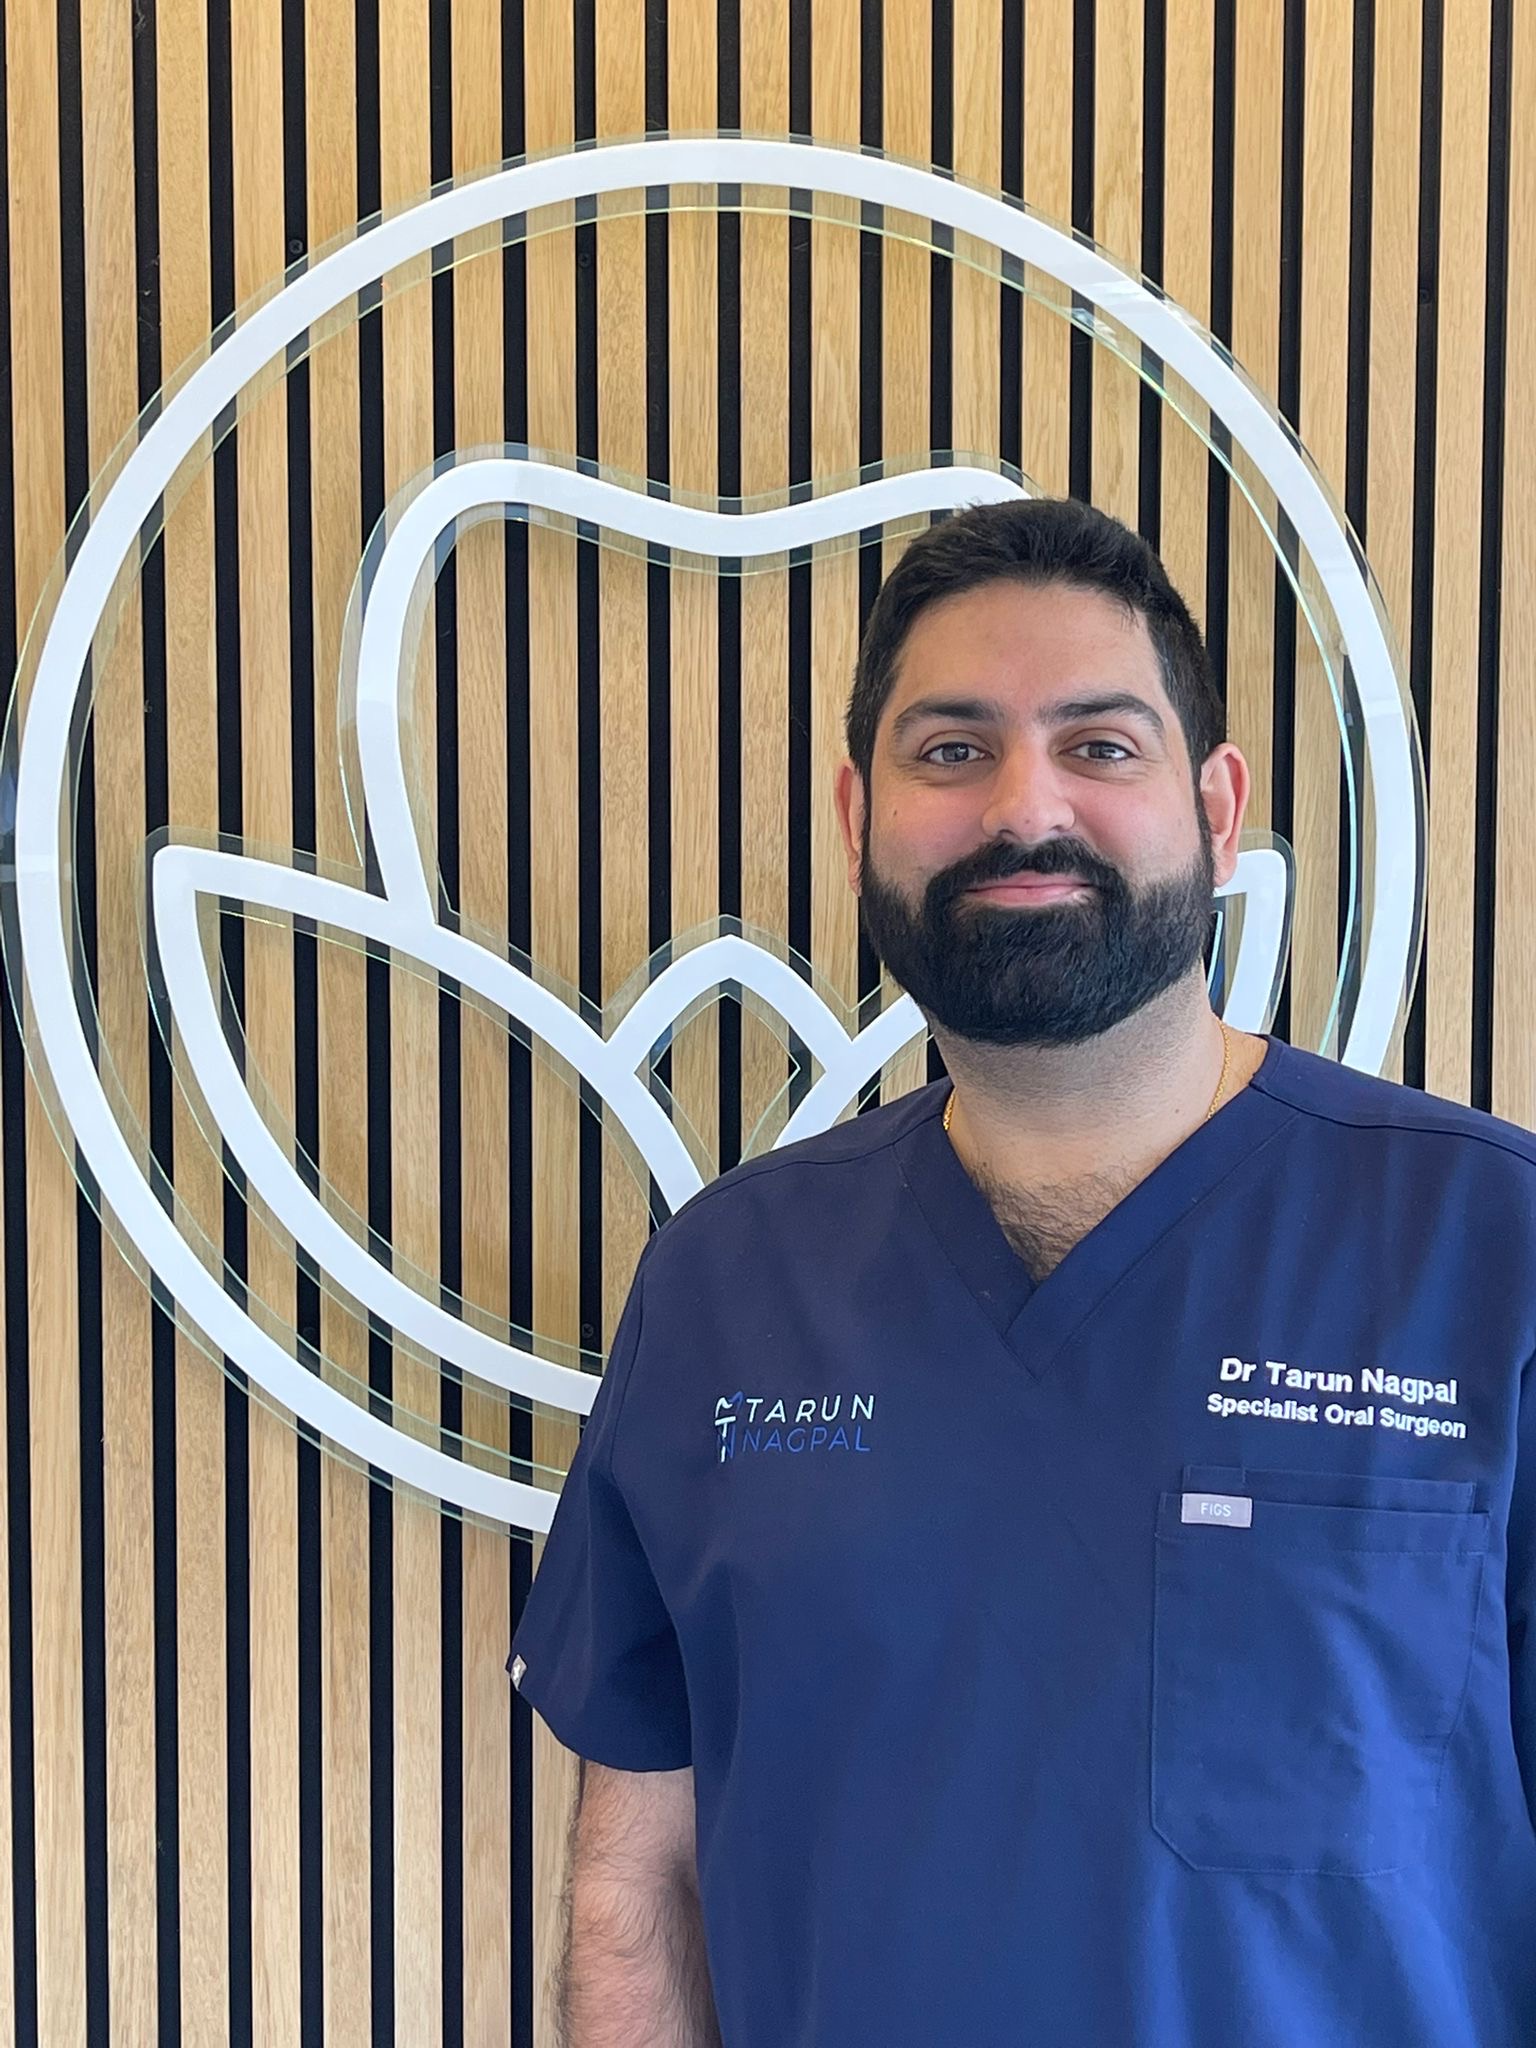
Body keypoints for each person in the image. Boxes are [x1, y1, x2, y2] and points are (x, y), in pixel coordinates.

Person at [507, 497, 1536, 2047]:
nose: (1022, 806)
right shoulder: (729, 1283)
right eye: (951, 749)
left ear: (1218, 806)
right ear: (861, 816)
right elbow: (635, 1885)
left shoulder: (1486, 1254)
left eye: (1101, 746)